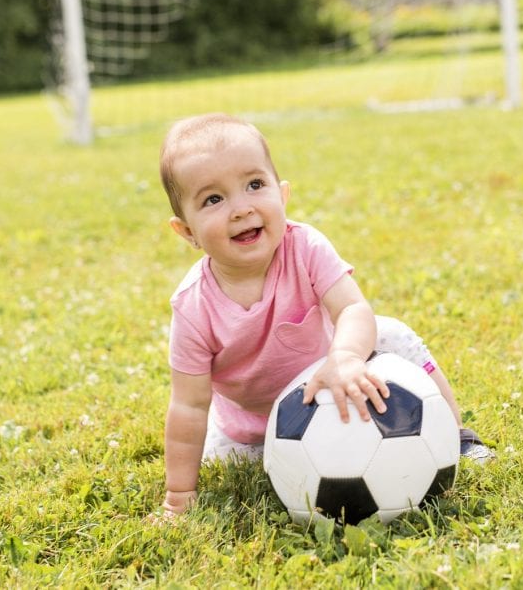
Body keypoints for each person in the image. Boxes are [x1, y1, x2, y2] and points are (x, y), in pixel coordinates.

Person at [157, 112, 492, 518]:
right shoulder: (193, 306)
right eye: (213, 199)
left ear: (282, 195)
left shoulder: (305, 247)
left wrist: (346, 357)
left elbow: (351, 307)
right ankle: (272, 453)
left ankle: (453, 438)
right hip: (250, 429)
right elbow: (190, 406)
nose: (241, 209)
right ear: (187, 231)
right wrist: (179, 496)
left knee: (393, 334)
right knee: (235, 468)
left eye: (254, 185)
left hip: (332, 373)